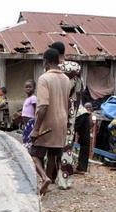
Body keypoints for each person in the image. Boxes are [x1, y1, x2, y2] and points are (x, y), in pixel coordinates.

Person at [30, 48, 73, 195]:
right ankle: (46, 184)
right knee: (52, 155)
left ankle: (44, 178)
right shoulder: (66, 79)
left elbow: (43, 106)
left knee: (34, 154)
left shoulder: (44, 78)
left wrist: (36, 128)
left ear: (46, 62)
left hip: (47, 122)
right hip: (62, 122)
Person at [74, 102, 93, 173]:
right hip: (80, 112)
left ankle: (81, 167)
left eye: (90, 108)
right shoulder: (86, 114)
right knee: (85, 143)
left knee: (68, 138)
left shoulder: (88, 115)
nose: (89, 109)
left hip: (77, 113)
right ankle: (81, 167)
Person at [21, 79, 37, 145]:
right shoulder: (27, 99)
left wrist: (36, 120)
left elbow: (36, 109)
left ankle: (29, 148)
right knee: (26, 135)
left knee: (29, 137)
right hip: (26, 122)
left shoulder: (33, 98)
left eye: (30, 87)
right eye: (26, 87)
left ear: (34, 88)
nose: (28, 88)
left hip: (31, 121)